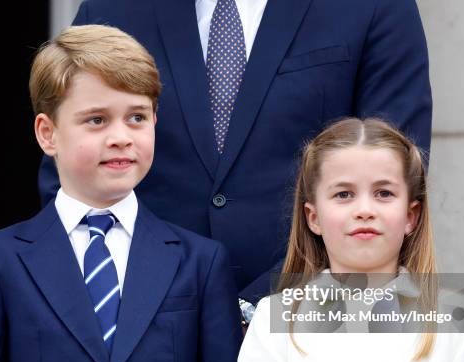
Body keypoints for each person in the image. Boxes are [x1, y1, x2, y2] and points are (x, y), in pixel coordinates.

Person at [0, 24, 242, 362]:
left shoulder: (201, 261)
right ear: (48, 133)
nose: (120, 137)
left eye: (136, 117)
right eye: (96, 120)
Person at [38, 0, 433, 313]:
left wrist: (266, 305)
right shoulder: (113, 8)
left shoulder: (378, 6)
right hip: (147, 331)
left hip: (314, 319)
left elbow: (393, 173)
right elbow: (70, 183)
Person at [231, 118, 464, 362]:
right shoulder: (274, 320)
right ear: (314, 217)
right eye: (344, 194)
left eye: (384, 193)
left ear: (411, 216)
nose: (364, 209)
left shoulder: (455, 320)